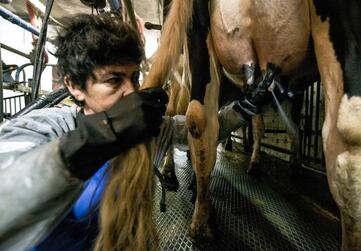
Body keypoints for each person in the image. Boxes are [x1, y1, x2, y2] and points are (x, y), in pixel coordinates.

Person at [0, 14, 275, 251]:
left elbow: (202, 130)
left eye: (134, 78)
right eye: (114, 81)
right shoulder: (45, 126)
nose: (131, 92)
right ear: (75, 86)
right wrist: (101, 136)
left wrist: (247, 106)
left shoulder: (149, 132)